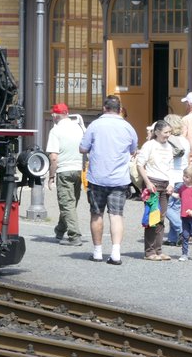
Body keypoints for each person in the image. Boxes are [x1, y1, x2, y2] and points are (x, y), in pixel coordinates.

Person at [80, 95, 138, 265]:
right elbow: (133, 149)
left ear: (104, 108)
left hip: (97, 177)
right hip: (119, 179)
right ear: (120, 109)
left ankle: (97, 252)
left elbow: (83, 148)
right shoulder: (128, 127)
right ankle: (116, 253)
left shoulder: (95, 125)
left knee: (96, 214)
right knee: (116, 215)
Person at [45, 103, 85, 245]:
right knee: (70, 203)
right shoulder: (78, 128)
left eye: (53, 115)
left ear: (55, 115)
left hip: (64, 170)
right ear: (67, 113)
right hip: (79, 169)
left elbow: (54, 157)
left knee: (67, 203)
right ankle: (60, 230)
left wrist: (51, 177)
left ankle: (74, 236)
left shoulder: (55, 131)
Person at [135, 120, 175, 260]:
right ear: (157, 132)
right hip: (153, 184)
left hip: (165, 185)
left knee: (161, 218)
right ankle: (149, 252)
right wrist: (147, 182)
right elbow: (140, 165)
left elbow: (171, 167)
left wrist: (171, 183)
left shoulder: (169, 147)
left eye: (170, 132)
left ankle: (159, 250)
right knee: (153, 217)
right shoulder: (149, 145)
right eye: (165, 132)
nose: (168, 135)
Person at [163, 115, 189, 246]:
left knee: (164, 207)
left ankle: (181, 230)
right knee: (176, 207)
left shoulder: (169, 141)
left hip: (172, 177)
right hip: (183, 177)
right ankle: (173, 238)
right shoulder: (185, 141)